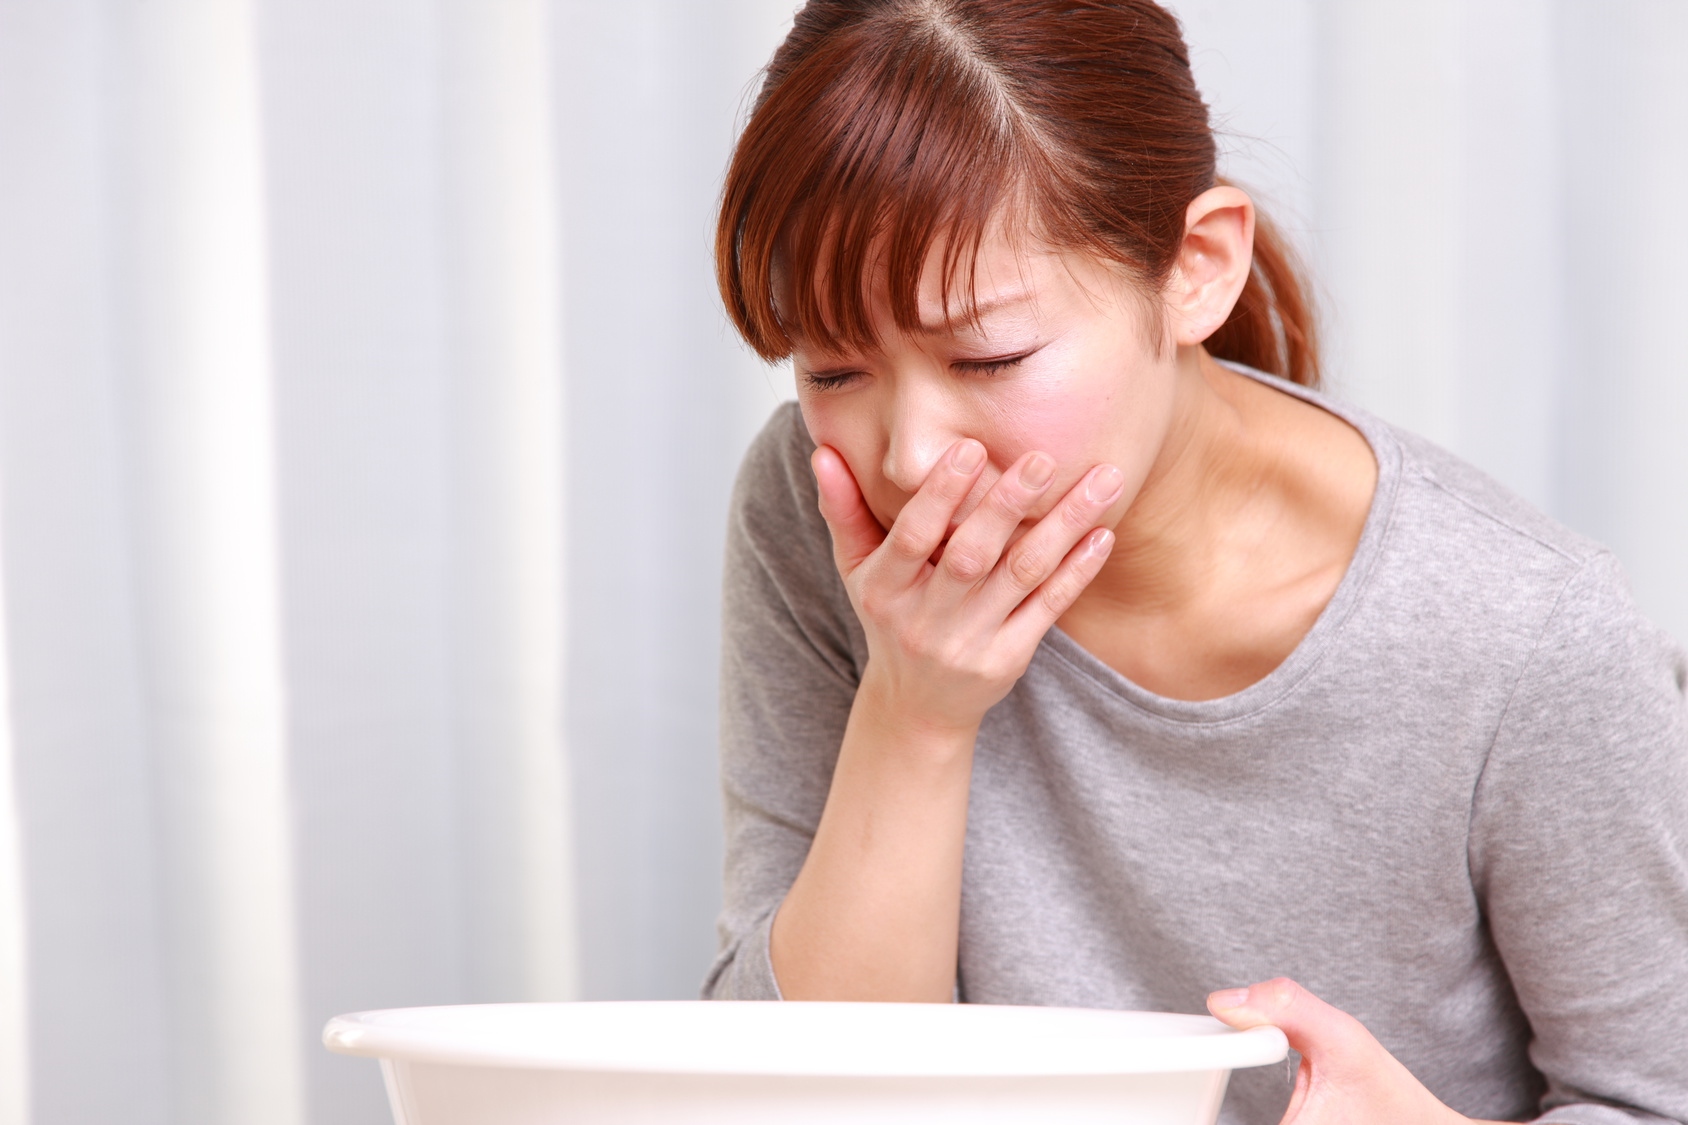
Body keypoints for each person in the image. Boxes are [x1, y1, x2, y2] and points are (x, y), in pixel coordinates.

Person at [701, 2, 1688, 1123]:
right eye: (832, 371)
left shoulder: (1526, 637)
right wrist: (914, 711)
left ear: (1196, 270)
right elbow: (782, 1096)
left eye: (987, 355)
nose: (910, 454)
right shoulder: (818, 512)